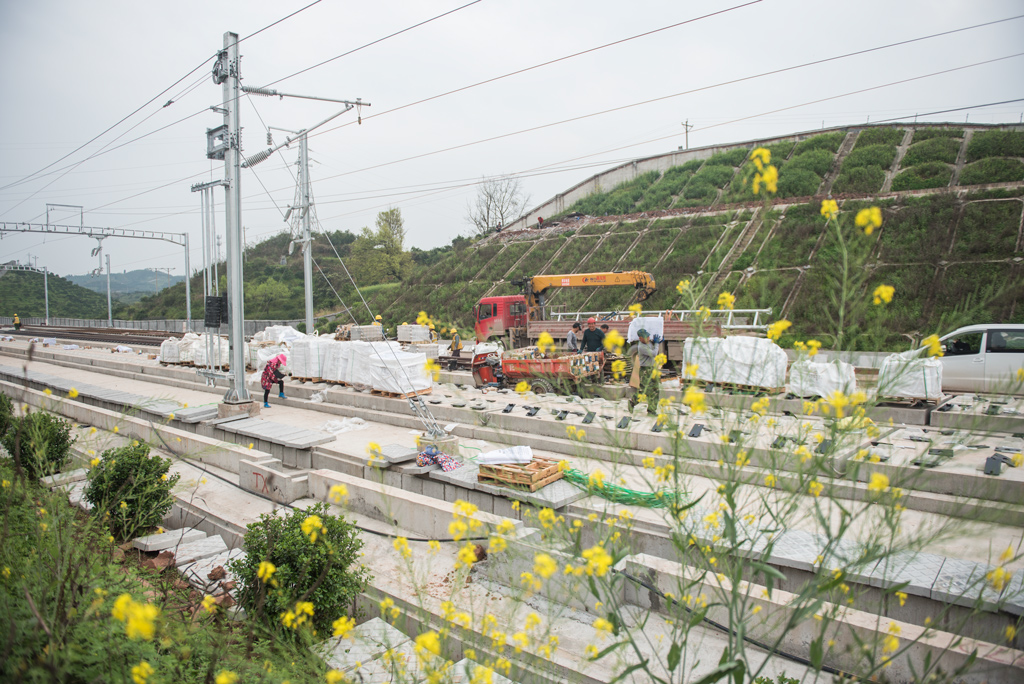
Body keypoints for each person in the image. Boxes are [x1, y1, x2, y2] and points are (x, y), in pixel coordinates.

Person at [628, 329, 659, 415]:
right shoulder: (641, 347)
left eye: (648, 337)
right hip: (645, 370)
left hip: (652, 368)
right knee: (644, 391)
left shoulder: (648, 343)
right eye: (646, 337)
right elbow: (653, 353)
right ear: (640, 338)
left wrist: (656, 341)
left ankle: (652, 410)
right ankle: (632, 402)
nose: (648, 338)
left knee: (655, 390)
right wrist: (657, 344)